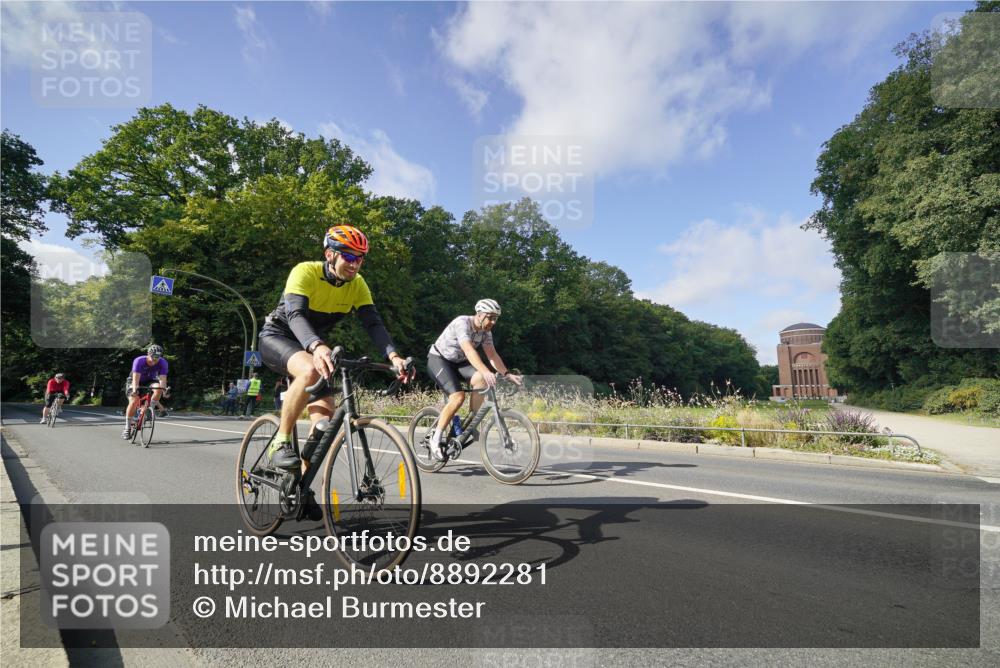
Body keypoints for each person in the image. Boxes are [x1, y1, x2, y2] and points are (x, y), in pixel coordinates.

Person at [258, 224, 412, 476]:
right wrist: (317, 346)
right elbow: (295, 315)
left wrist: (393, 357)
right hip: (278, 337)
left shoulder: (357, 284)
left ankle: (299, 484)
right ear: (330, 254)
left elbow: (373, 324)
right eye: (349, 257)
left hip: (313, 348)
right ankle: (281, 441)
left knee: (325, 423)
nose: (355, 264)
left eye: (360, 258)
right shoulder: (304, 271)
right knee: (310, 370)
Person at [425, 299, 522, 461]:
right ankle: (435, 439)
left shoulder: (486, 332)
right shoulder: (462, 323)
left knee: (481, 379)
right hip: (439, 360)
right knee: (458, 397)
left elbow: (492, 355)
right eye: (490, 317)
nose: (493, 322)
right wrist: (486, 371)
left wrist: (506, 374)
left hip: (459, 363)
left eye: (495, 318)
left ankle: (470, 423)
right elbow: (469, 350)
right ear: (479, 314)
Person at [123, 344, 169, 439]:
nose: (154, 361)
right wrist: (135, 390)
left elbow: (162, 379)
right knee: (134, 401)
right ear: (148, 354)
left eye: (157, 358)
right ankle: (127, 428)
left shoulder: (163, 362)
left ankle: (149, 410)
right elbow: (135, 379)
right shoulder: (139, 360)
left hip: (150, 381)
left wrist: (164, 391)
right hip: (134, 381)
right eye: (153, 357)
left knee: (159, 388)